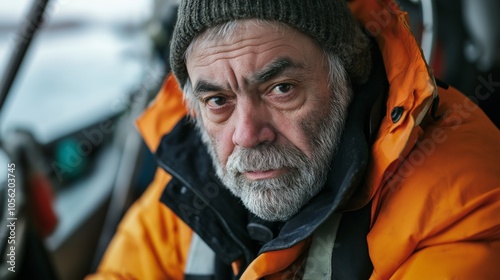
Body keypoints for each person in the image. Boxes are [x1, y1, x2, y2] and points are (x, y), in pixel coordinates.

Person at [89, 0, 500, 279]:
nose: (247, 136)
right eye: (218, 100)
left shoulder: (461, 197)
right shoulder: (184, 193)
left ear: (348, 79)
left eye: (281, 89)